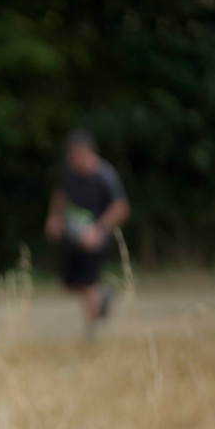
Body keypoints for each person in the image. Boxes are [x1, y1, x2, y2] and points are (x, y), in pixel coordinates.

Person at [44, 128, 131, 339]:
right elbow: (60, 193)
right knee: (71, 283)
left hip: (96, 238)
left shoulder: (104, 175)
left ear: (88, 152)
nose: (73, 158)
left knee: (86, 282)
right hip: (74, 236)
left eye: (76, 154)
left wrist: (98, 231)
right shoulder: (68, 171)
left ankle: (93, 329)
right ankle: (102, 297)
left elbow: (121, 207)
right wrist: (54, 217)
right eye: (70, 154)